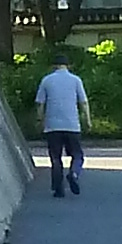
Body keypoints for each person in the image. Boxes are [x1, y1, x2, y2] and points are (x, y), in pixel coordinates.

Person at [31, 53, 91, 199]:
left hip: (52, 126)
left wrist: (40, 120)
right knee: (77, 155)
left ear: (53, 66)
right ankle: (74, 173)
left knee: (56, 158)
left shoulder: (47, 80)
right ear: (68, 65)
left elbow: (40, 103)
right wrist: (87, 120)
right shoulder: (76, 80)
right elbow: (83, 102)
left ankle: (58, 189)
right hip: (72, 125)